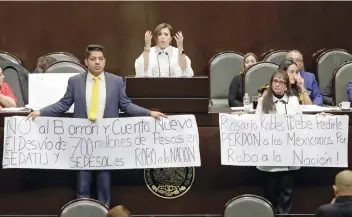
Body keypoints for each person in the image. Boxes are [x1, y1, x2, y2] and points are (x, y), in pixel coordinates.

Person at [27, 44, 167, 207]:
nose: (97, 62)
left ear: (105, 61)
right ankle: (82, 211)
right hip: (82, 142)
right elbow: (63, 104)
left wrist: (149, 113)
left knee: (104, 183)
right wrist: (40, 112)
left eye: (100, 59)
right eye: (93, 59)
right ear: (86, 62)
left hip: (105, 142)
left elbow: (126, 106)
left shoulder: (115, 81)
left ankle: (104, 210)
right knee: (83, 183)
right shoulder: (75, 81)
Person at [256, 70, 302, 214]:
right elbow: (257, 123)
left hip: (288, 156)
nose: (277, 84)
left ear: (286, 86)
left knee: (286, 194)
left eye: (281, 82)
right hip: (270, 156)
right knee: (270, 193)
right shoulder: (263, 101)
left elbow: (301, 122)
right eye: (275, 81)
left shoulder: (293, 101)